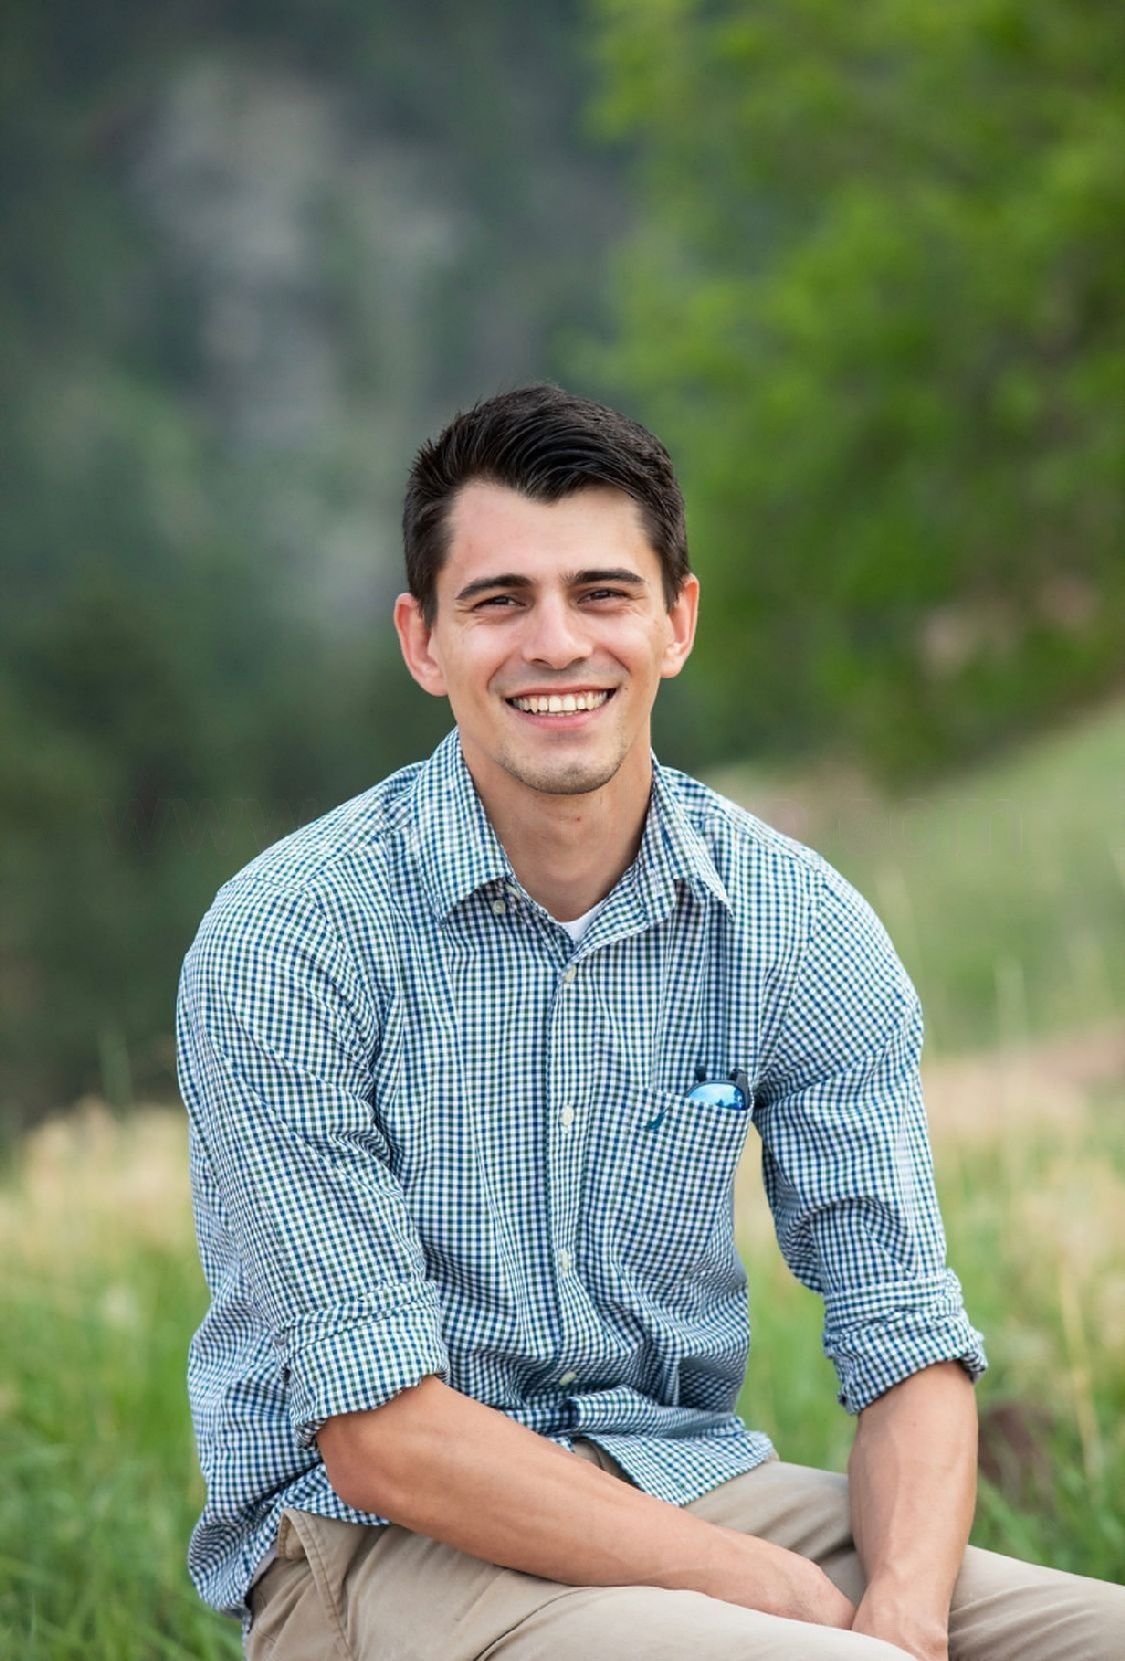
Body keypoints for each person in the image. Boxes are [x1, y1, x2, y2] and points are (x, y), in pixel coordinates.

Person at [176, 384, 1122, 1659]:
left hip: (689, 1485)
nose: (556, 642)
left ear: (677, 621)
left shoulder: (796, 923)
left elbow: (905, 1335)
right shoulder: (292, 938)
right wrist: (770, 1589)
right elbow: (381, 1432)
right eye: (499, 600)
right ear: (423, 640)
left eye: (603, 594)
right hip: (377, 1549)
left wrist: (903, 1613)